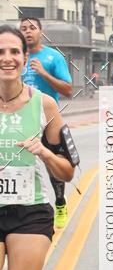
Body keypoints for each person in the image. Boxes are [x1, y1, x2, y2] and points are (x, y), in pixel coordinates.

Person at [0, 26, 76, 270]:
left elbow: (68, 171)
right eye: (1, 51)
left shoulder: (45, 105)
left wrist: (44, 151)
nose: (7, 58)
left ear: (22, 55)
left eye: (14, 50)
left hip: (29, 212)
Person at [20, 17, 73, 229]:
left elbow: (68, 90)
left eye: (32, 28)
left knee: (52, 162)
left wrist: (43, 73)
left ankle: (59, 201)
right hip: (20, 120)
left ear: (41, 32)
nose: (27, 32)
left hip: (47, 119)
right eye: (23, 28)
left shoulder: (53, 57)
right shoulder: (15, 57)